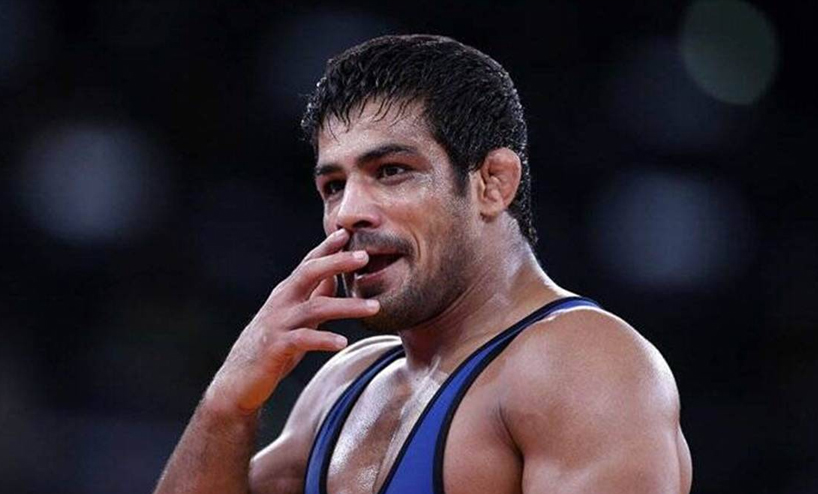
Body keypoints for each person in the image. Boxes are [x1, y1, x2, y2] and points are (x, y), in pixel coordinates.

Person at [154, 34, 692, 494]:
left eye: (391, 171)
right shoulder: (344, 384)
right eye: (333, 185)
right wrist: (228, 403)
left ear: (492, 183)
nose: (348, 212)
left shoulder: (582, 366)